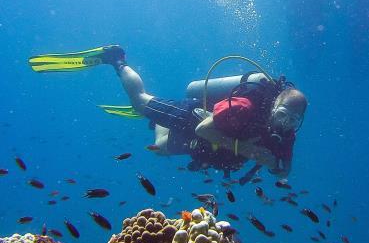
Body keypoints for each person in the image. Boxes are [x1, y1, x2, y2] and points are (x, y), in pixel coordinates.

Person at [28, 45, 307, 179]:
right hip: (194, 117)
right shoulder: (246, 106)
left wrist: (274, 164)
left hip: (209, 145)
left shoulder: (286, 133)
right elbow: (203, 129)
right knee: (139, 101)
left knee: (159, 148)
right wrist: (246, 149)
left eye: (293, 120)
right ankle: (116, 59)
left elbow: (285, 171)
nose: (285, 123)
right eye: (283, 114)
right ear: (274, 105)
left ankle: (154, 122)